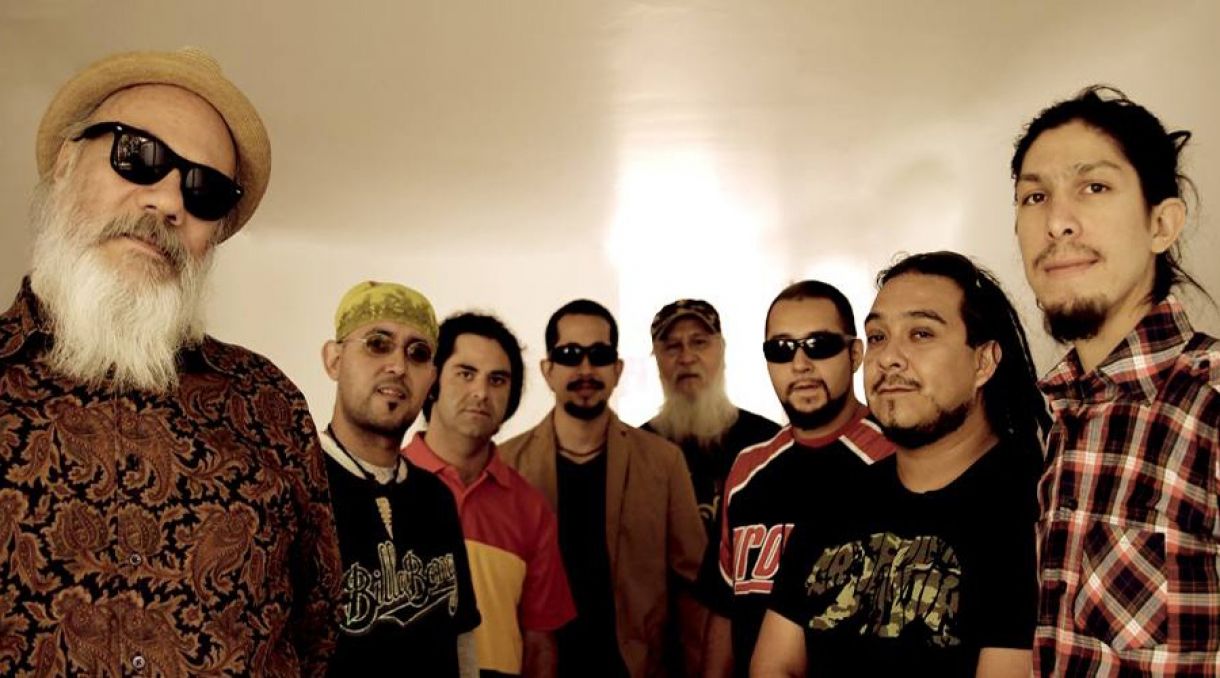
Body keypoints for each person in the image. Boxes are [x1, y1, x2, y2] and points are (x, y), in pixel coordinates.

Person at [0, 49, 341, 675]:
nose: (167, 202)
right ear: (66, 162)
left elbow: (317, 630)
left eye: (204, 190)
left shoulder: (268, 403)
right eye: (140, 156)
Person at [753, 251, 1047, 677]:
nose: (888, 357)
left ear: (983, 361)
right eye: (877, 337)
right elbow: (773, 665)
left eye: (921, 333)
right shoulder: (834, 502)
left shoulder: (1035, 511)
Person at [1011, 85, 1220, 675]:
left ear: (1162, 224)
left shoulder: (1210, 404)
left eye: (1094, 187)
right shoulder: (1060, 417)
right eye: (1034, 196)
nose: (1057, 222)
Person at [499, 299, 706, 677]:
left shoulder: (663, 462)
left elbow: (694, 588)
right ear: (547, 370)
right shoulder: (506, 465)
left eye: (599, 355)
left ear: (617, 369)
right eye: (569, 355)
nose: (585, 369)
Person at [700, 281, 895, 678]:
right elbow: (725, 609)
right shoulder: (747, 469)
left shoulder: (896, 456)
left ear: (855, 354)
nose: (800, 364)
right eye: (782, 349)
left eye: (819, 345)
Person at [319, 281, 480, 675]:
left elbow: (462, 639)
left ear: (432, 378)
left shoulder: (436, 497)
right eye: (378, 344)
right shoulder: (295, 487)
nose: (398, 366)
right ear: (334, 360)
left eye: (418, 353)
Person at [405, 312, 576, 677]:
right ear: (432, 380)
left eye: (497, 380)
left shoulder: (530, 508)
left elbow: (541, 644)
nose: (481, 393)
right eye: (465, 374)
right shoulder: (385, 485)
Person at [641, 298, 780, 536]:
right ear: (657, 358)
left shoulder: (767, 442)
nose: (686, 358)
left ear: (722, 349)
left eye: (699, 343)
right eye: (672, 346)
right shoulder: (639, 451)